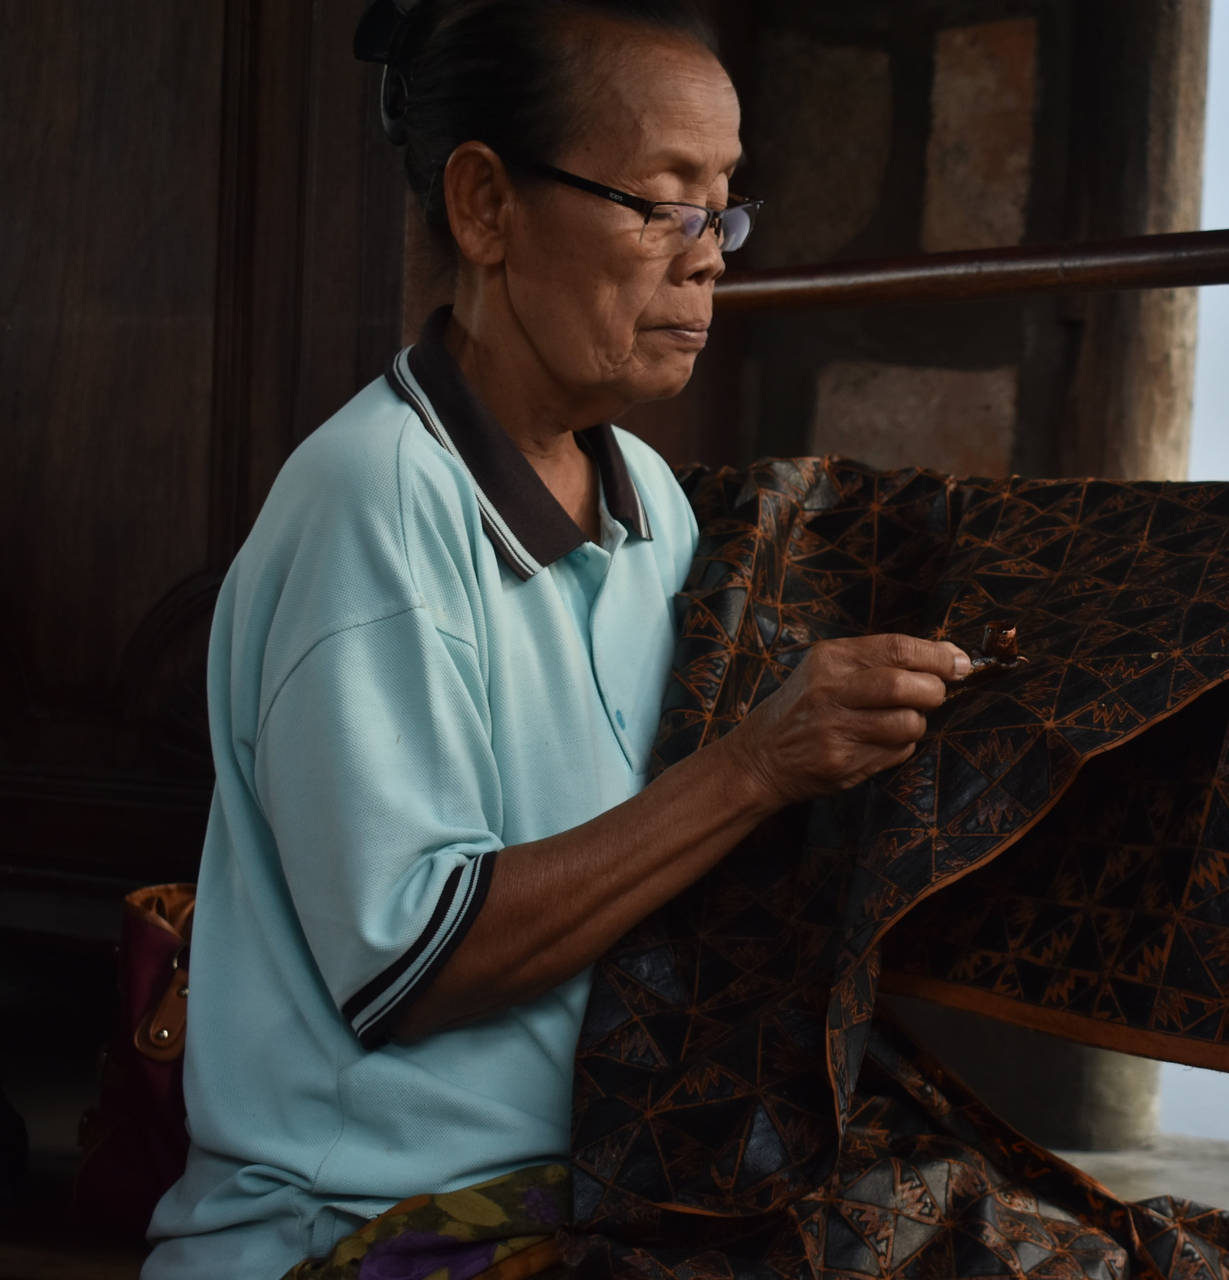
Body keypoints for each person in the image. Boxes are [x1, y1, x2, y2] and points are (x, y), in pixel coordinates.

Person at [141, 3, 971, 1275]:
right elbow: (422, 965)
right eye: (660, 204)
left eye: (723, 208)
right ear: (486, 206)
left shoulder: (651, 499)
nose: (707, 258)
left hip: (608, 1175)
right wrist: (752, 766)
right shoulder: (375, 498)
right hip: (372, 1221)